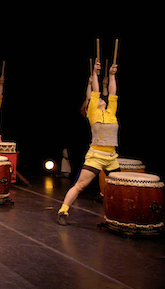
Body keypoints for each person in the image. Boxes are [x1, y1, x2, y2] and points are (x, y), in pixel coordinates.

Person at [57, 61, 119, 225]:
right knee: (80, 185)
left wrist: (112, 75)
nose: (101, 100)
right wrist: (95, 74)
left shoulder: (111, 112)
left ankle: (120, 215)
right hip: (96, 155)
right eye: (97, 100)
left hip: (112, 156)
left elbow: (112, 93)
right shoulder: (93, 113)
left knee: (120, 187)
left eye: (101, 100)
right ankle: (63, 211)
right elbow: (96, 92)